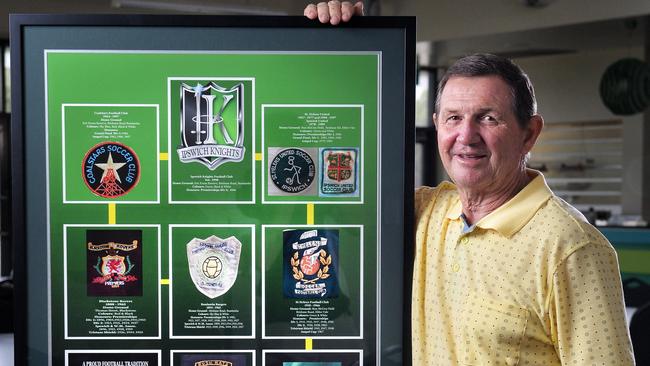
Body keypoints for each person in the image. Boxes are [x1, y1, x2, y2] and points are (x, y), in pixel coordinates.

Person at [306, 3, 636, 365]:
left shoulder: (572, 249)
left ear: (529, 134)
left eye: (488, 118)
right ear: (436, 125)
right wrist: (351, 44)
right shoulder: (424, 213)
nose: (466, 135)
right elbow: (330, 176)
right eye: (453, 118)